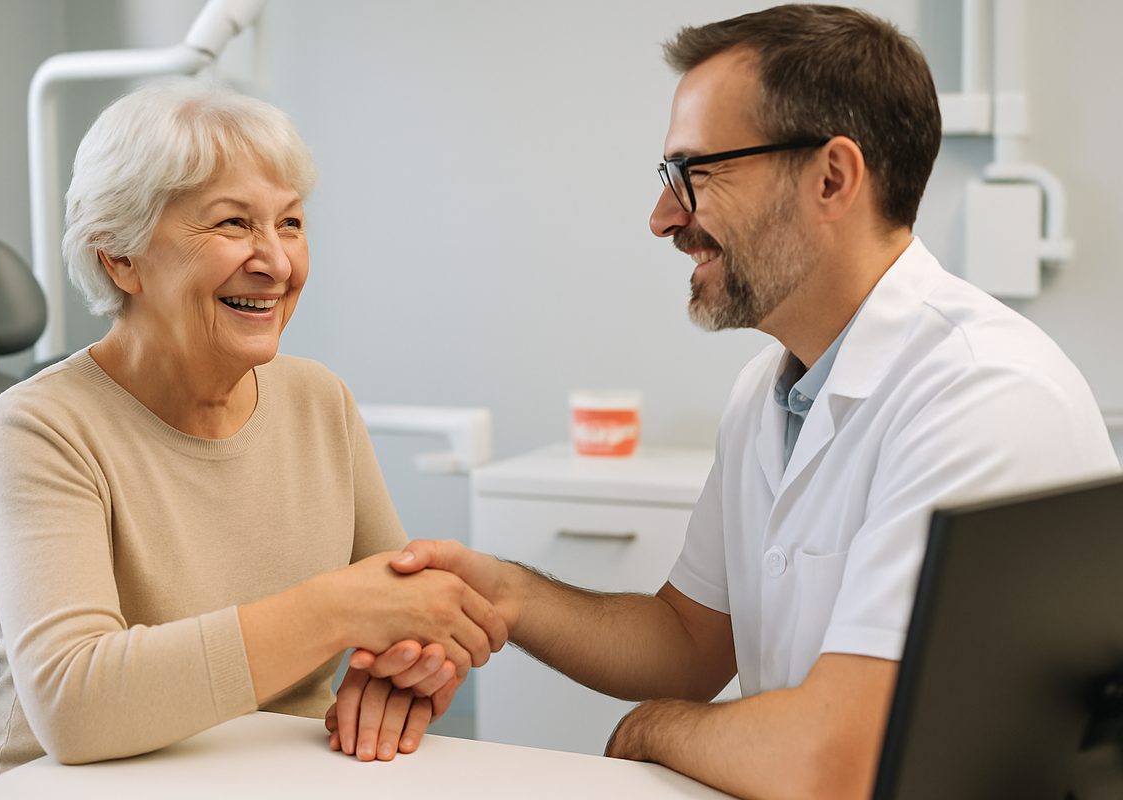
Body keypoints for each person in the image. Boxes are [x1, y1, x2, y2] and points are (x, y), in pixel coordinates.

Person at [330, 4, 1120, 797]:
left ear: (832, 179)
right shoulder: (772, 389)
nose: (664, 218)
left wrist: (651, 729)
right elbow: (689, 639)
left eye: (695, 174)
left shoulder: (982, 396)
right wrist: (502, 592)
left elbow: (841, 761)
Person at [0, 80, 505, 783]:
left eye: (289, 223)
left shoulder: (321, 401)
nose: (277, 263)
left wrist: (407, 676)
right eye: (231, 224)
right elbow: (74, 703)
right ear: (119, 257)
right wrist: (337, 610)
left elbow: (414, 619)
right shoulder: (41, 426)